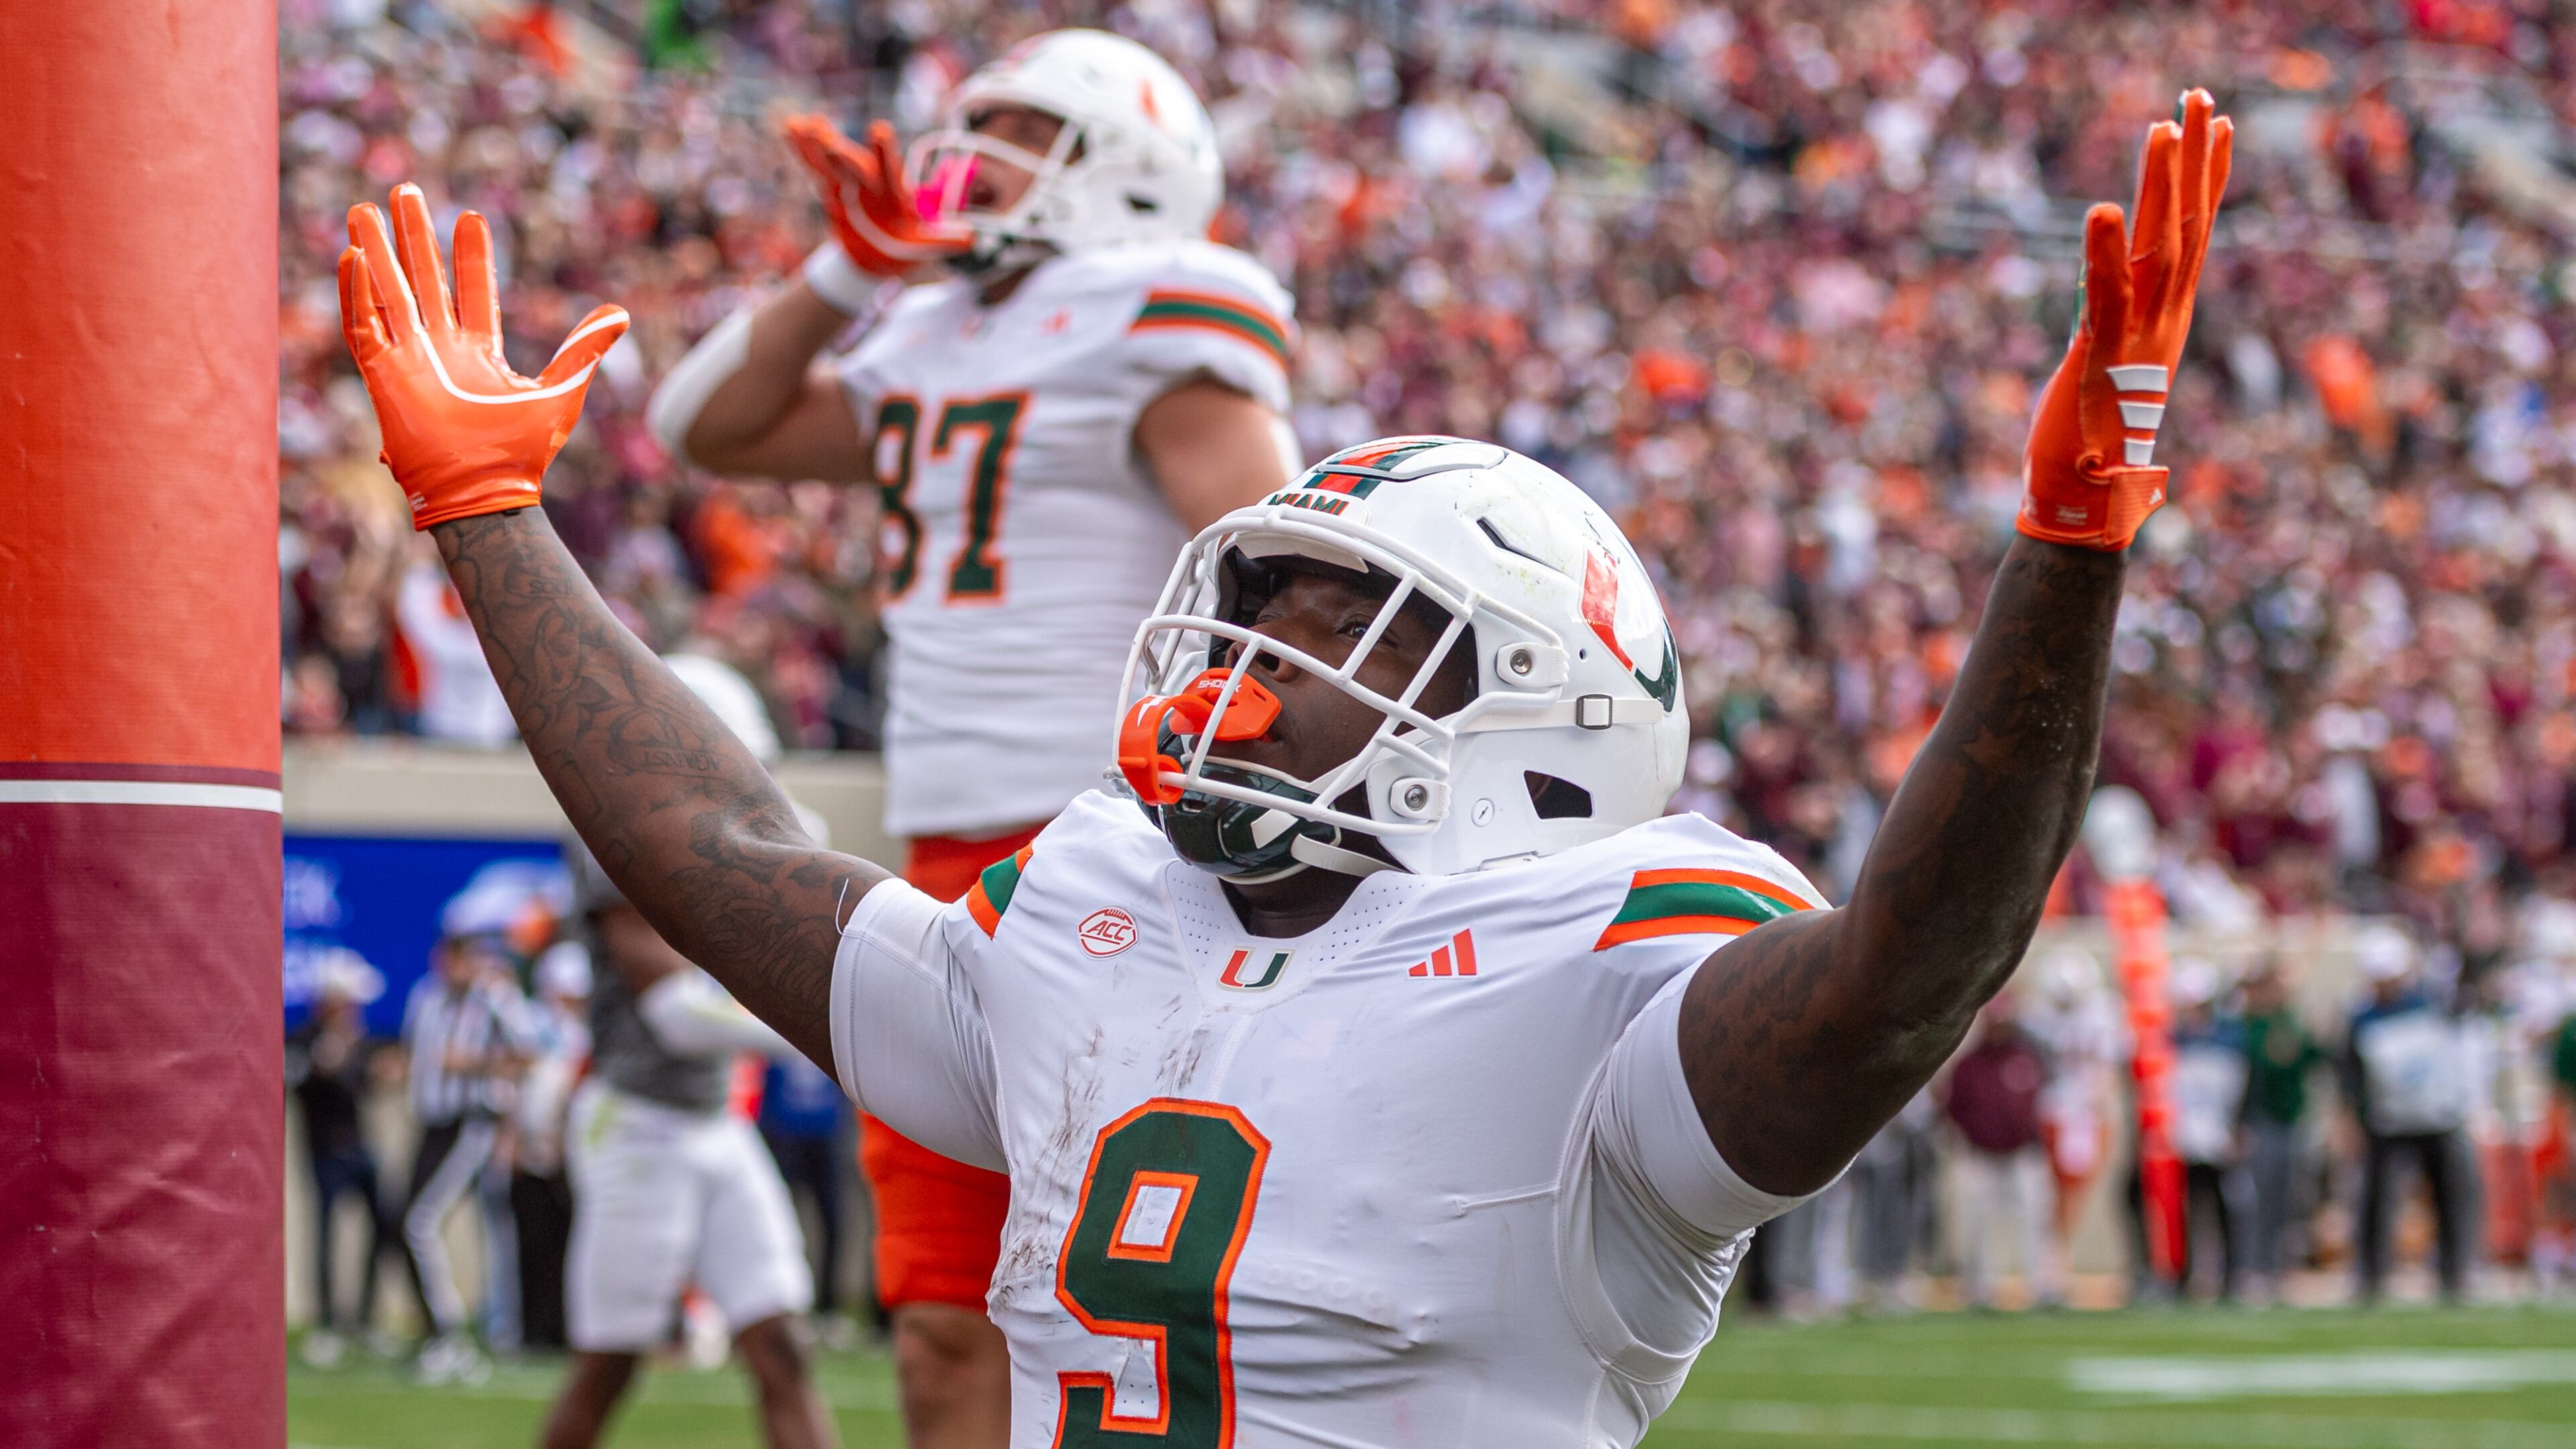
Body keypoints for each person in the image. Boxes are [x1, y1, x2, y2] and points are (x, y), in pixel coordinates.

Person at [335, 93, 2231, 1442]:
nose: (1251, 652)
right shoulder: (1090, 907)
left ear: (1535, 705)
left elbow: (1908, 968)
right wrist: (491, 513)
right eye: (1258, 599)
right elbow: (717, 838)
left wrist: (2067, 547)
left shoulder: (1602, 965)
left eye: (1340, 621)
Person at [643, 31, 1300, 1446]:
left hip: (1122, 857)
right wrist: (848, 271)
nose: (968, 149)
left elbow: (1278, 580)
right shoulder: (927, 327)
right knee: (942, 1315)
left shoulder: (1157, 308)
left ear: (1128, 168)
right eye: (972, 119)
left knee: (1129, 1304)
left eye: (1018, 126)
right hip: (945, 862)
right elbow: (703, 423)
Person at [537, 655, 841, 1449]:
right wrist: (823, 1027)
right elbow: (677, 1013)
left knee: (782, 1344)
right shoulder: (617, 836)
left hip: (713, 1122)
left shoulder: (715, 841)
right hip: (638, 1122)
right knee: (611, 1364)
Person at [396, 895, 543, 1383]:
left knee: (421, 1223)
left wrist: (475, 1064)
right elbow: (412, 1053)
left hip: (470, 1123)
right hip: (430, 1123)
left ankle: (452, 1335)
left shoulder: (494, 998)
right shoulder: (427, 996)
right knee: (405, 1223)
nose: (454, 966)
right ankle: (441, 1332)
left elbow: (528, 1056)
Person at [2341, 922, 2477, 1302]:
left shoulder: (2433, 1005)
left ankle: (2455, 1271)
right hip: (2389, 1120)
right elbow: (2350, 1076)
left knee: (2452, 1194)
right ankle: (2371, 1275)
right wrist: (2353, 1120)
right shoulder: (2362, 1019)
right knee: (2377, 1198)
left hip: (2437, 1116)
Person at [288, 949, 403, 1367]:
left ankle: (365, 1319)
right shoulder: (304, 1039)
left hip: (360, 1149)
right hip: (323, 1152)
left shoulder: (360, 1041)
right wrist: (326, 1064)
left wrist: (378, 1074)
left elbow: (369, 1084)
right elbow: (300, 1084)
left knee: (387, 1223)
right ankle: (327, 1324)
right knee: (325, 1235)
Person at [2020, 947, 2128, 1300]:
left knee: (2066, 1196)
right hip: (2064, 1111)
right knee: (2053, 1196)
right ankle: (2051, 1265)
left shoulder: (2101, 1014)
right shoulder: (2044, 1016)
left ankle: (2053, 1265)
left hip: (2077, 1112)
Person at [1941, 997, 2055, 1307]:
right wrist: (1972, 1137)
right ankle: (1980, 1290)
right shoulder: (1969, 1064)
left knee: (2035, 1219)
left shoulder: (2027, 1058)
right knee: (1976, 1222)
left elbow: (2044, 1101)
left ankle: (2041, 1286)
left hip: (2022, 1153)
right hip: (1980, 1155)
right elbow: (1954, 1108)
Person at [512, 939, 593, 1351]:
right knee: (533, 1245)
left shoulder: (586, 1032)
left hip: (575, 1152)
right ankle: (533, 1331)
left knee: (572, 1246)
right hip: (533, 1152)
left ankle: (567, 1330)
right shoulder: (530, 1024)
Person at [2237, 958, 2326, 1301]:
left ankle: (2279, 1267)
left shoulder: (2292, 1021)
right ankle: (2255, 1266)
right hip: (2262, 1122)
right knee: (2257, 1199)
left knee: (2290, 1199)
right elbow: (2270, 1060)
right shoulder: (2253, 1024)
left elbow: (2314, 1059)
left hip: (2293, 1120)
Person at [759, 1050, 857, 1346]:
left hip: (826, 1134)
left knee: (835, 1222)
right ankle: (780, 1309)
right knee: (776, 1224)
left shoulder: (832, 1027)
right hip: (783, 1133)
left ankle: (828, 1311)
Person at [2166, 958, 2249, 1300]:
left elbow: (2244, 1089)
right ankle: (2180, 1279)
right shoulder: (2171, 1041)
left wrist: (2240, 1128)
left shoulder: (2230, 1040)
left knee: (2226, 1209)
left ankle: (2232, 1279)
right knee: (2182, 1212)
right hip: (2182, 1137)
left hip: (2219, 1137)